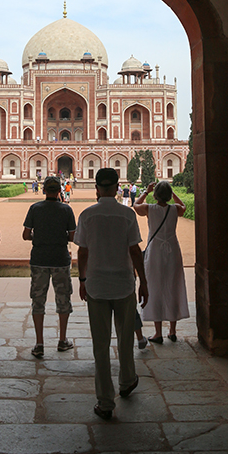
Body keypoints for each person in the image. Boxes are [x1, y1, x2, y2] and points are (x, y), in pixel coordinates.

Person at [74, 167, 149, 420]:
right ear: (118, 188)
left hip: (96, 285)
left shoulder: (87, 215)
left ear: (97, 188)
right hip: (124, 284)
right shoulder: (127, 215)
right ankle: (127, 381)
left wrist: (82, 279)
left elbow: (82, 252)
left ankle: (105, 402)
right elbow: (135, 251)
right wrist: (144, 282)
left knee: (100, 344)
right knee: (125, 336)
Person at [22, 175, 77, 357]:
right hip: (60, 260)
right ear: (59, 191)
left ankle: (39, 344)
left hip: (39, 259)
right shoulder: (65, 210)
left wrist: (38, 238)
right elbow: (72, 237)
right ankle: (62, 340)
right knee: (63, 300)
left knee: (38, 301)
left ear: (44, 190)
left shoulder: (35, 208)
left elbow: (25, 235)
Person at [134, 181, 189, 343]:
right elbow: (183, 206)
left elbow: (136, 205)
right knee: (173, 285)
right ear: (169, 195)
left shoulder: (149, 208)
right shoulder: (175, 209)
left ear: (155, 195)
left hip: (156, 250)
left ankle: (158, 333)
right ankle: (172, 331)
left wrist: (146, 191)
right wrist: (173, 196)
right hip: (173, 250)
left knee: (155, 287)